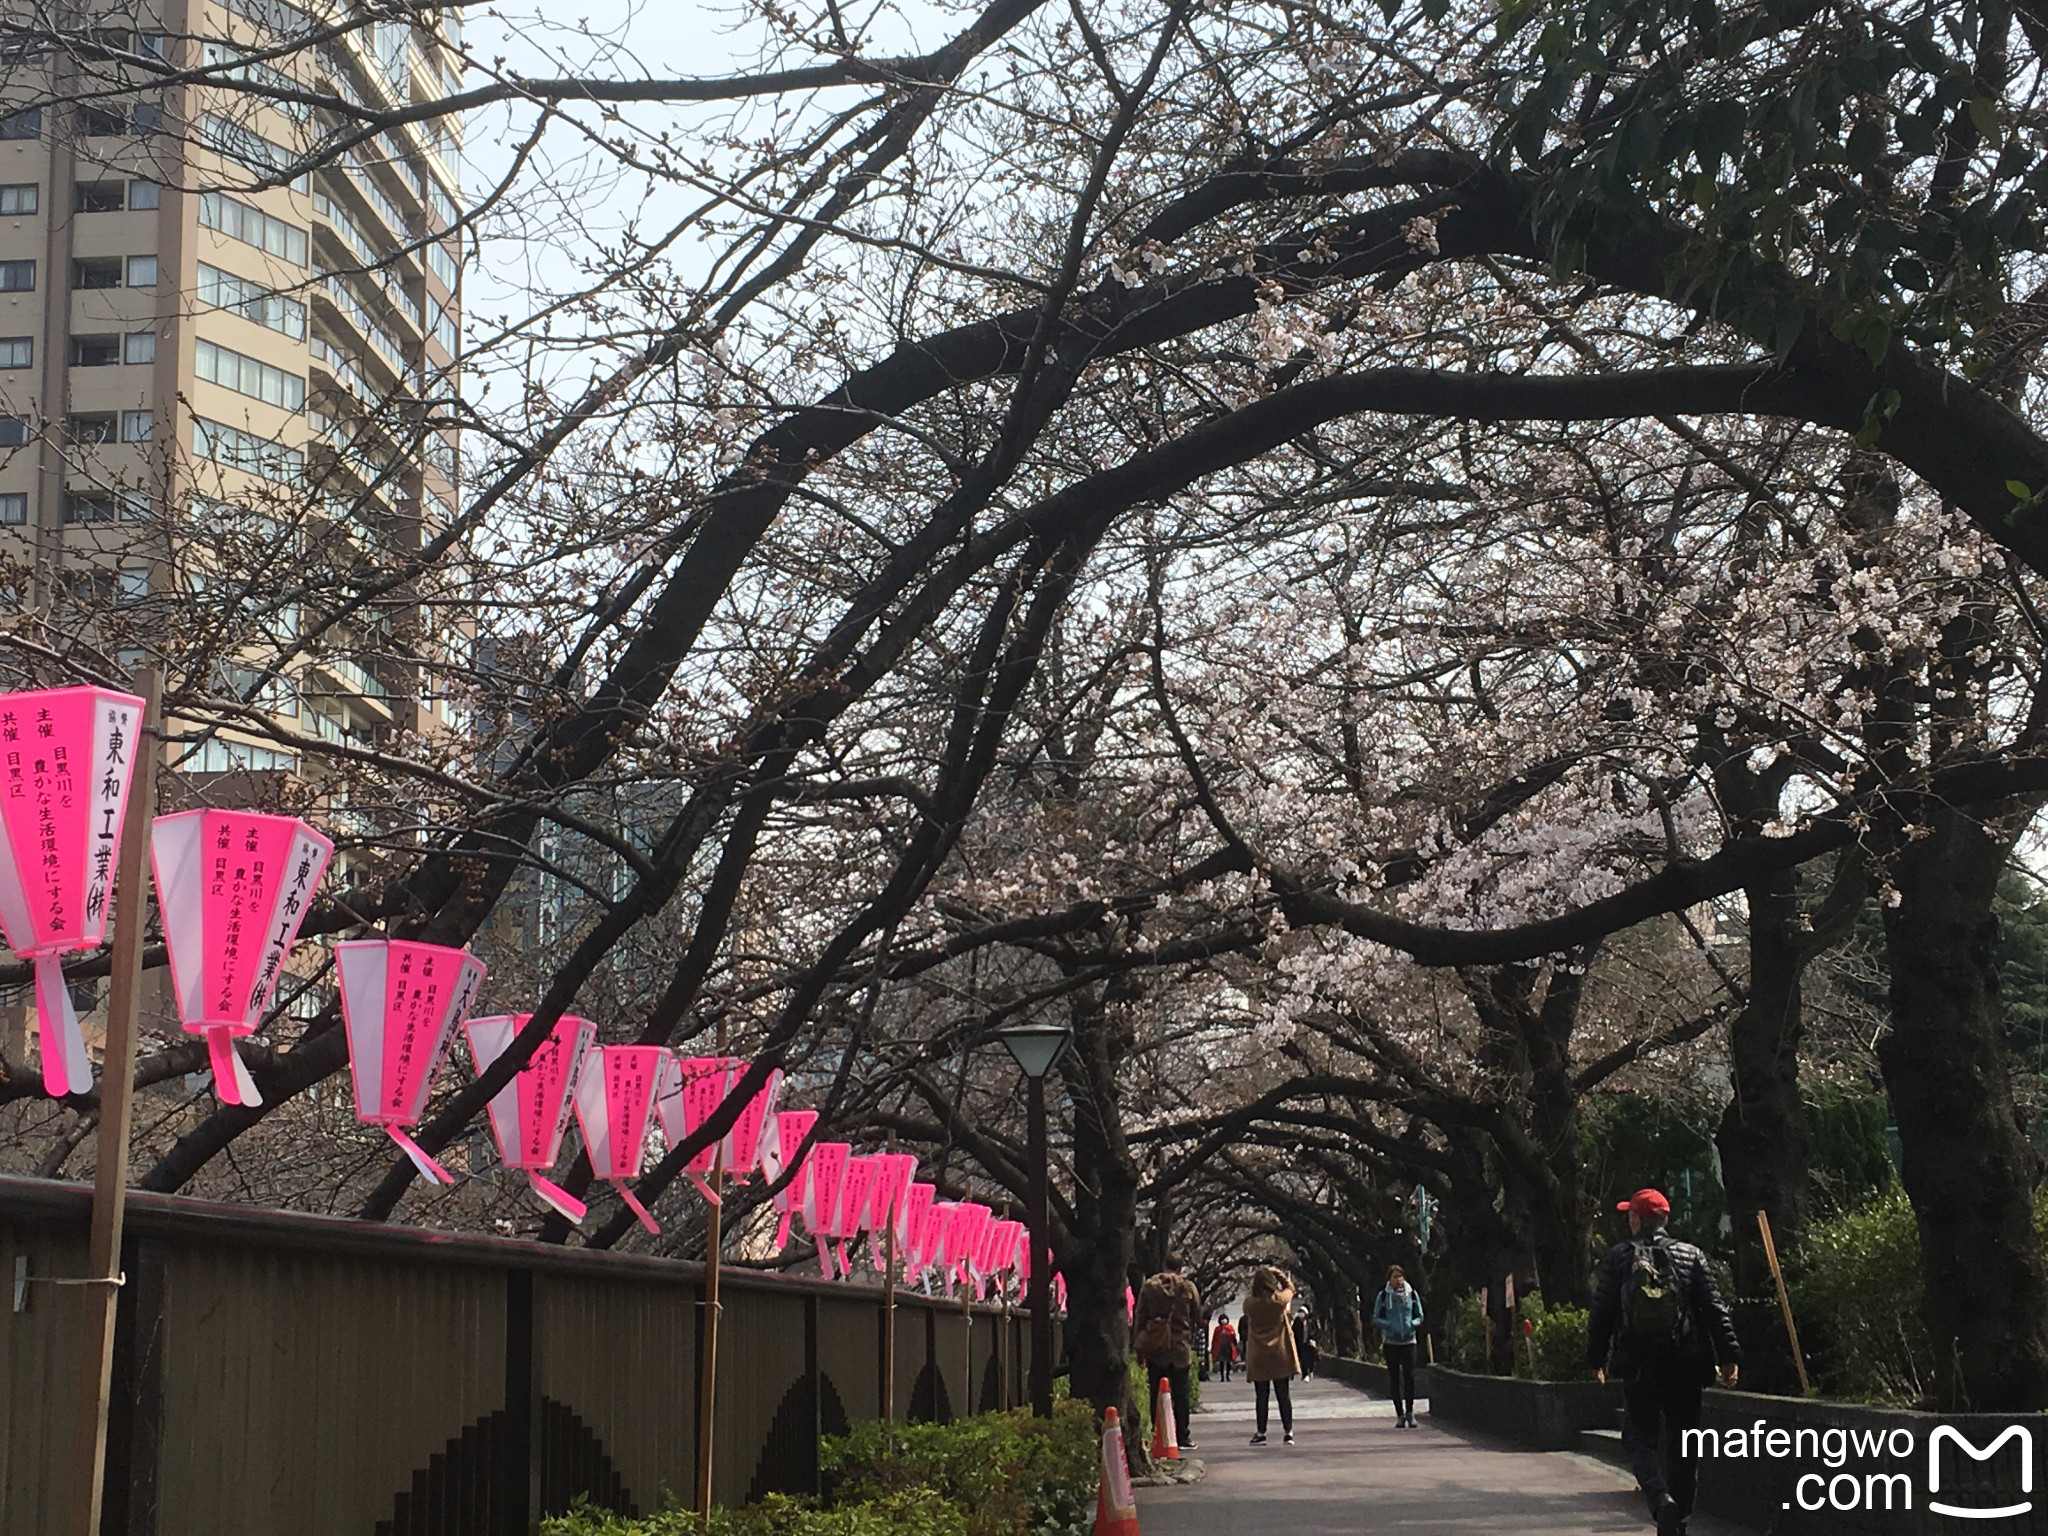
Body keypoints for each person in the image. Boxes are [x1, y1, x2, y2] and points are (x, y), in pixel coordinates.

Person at [1587, 1188, 1742, 1536]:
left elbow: (1602, 1312)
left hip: (1640, 1363)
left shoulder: (1619, 1257)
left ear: (1636, 1219)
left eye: (1630, 1215)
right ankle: (1680, 1519)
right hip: (1686, 1363)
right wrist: (1729, 1356)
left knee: (1638, 1437)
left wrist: (1595, 1358)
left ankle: (1660, 1500)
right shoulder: (1692, 1255)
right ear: (1666, 1220)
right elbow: (1714, 1310)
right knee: (1685, 1441)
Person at [1133, 1252, 1203, 1451]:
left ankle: (1159, 1434)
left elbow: (1140, 1316)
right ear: (1180, 1268)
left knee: (1156, 1391)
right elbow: (1197, 1315)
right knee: (1181, 1392)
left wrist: (1139, 1344)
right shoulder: (1187, 1288)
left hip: (1156, 1347)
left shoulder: (1149, 1287)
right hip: (1180, 1347)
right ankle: (1183, 1436)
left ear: (1164, 1264)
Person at [1242, 1265, 1302, 1445]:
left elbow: (1246, 1315)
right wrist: (1278, 1273)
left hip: (1259, 1353)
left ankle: (1261, 1432)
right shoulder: (1279, 1300)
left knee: (1262, 1395)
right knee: (1283, 1394)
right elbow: (1291, 1289)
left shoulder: (1249, 1303)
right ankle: (1288, 1432)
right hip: (1279, 1352)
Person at [1372, 1265, 1424, 1427]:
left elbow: (1420, 1316)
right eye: (1395, 1277)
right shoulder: (1383, 1296)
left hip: (1409, 1341)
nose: (1398, 1280)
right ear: (1389, 1279)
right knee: (1394, 1378)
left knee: (1409, 1377)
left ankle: (1410, 1412)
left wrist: (1412, 1324)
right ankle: (1399, 1414)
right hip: (1391, 1342)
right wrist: (1389, 1325)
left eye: (1400, 1276)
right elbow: (1376, 1317)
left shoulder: (1412, 1294)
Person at [1210, 1314, 1240, 1382]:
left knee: (1228, 1362)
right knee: (1221, 1363)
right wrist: (1213, 1348)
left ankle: (1227, 1376)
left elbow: (1233, 1337)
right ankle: (1222, 1377)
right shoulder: (1217, 1329)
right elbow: (1214, 1339)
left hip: (1228, 1347)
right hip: (1220, 1347)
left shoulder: (1230, 1327)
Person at [1293, 1306, 1319, 1378]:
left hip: (1310, 1343)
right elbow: (1294, 1331)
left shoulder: (1311, 1320)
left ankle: (1311, 1370)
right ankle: (1305, 1374)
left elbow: (1315, 1330)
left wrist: (1312, 1337)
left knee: (1310, 1358)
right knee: (1303, 1359)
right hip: (1300, 1343)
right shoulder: (1297, 1322)